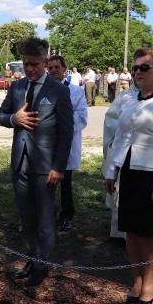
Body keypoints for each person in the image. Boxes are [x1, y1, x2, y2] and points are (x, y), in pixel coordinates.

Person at [104, 48, 153, 304]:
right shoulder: (129, 100)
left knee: (147, 233)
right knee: (130, 231)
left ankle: (149, 284)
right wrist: (111, 171)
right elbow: (121, 140)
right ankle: (136, 280)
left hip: (152, 175)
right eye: (136, 68)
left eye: (144, 68)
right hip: (129, 171)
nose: (137, 72)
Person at [0, 36, 74, 287]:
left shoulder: (59, 90)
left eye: (35, 64)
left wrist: (59, 167)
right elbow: (0, 114)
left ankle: (42, 264)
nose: (30, 69)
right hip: (20, 163)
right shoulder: (16, 88)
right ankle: (30, 258)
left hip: (46, 167)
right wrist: (13, 119)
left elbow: (67, 131)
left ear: (45, 61)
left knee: (45, 218)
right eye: (26, 63)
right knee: (26, 217)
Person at [47, 55, 88, 232]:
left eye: (57, 67)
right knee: (45, 181)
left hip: (67, 143)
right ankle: (46, 214)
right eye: (51, 67)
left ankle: (66, 215)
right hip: (46, 143)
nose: (54, 70)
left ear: (65, 69)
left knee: (65, 181)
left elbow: (82, 118)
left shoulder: (76, 91)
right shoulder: (43, 89)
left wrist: (60, 116)